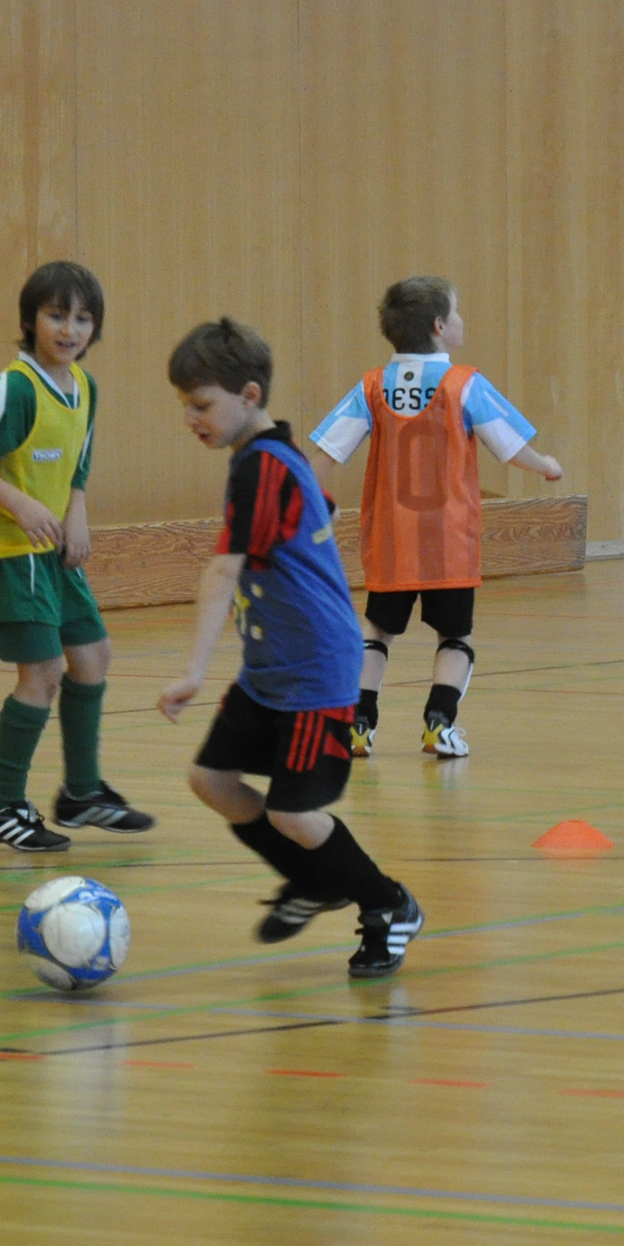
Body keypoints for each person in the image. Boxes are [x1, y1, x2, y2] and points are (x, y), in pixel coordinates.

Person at [159, 318, 427, 980]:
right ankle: (313, 880)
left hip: (315, 672)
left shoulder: (263, 467)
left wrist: (193, 672)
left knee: (293, 812)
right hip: (270, 671)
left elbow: (223, 570)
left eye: (202, 405)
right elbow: (320, 507)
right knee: (212, 781)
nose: (190, 419)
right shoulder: (274, 456)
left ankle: (387, 903)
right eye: (185, 406)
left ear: (248, 395)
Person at [0, 261, 152, 852]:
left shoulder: (84, 387)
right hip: (8, 554)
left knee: (94, 656)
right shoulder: (17, 387)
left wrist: (76, 512)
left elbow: (77, 464)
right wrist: (21, 505)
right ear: (31, 320)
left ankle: (80, 793)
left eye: (82, 318)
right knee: (42, 673)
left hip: (51, 552)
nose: (69, 329)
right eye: (57, 315)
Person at [310, 276, 563, 761]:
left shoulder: (372, 386)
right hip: (449, 540)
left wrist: (298, 495)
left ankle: (358, 726)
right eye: (458, 312)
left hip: (391, 539)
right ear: (440, 326)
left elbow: (327, 452)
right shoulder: (464, 384)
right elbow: (510, 446)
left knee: (377, 633)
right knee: (455, 636)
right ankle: (439, 724)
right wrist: (545, 465)